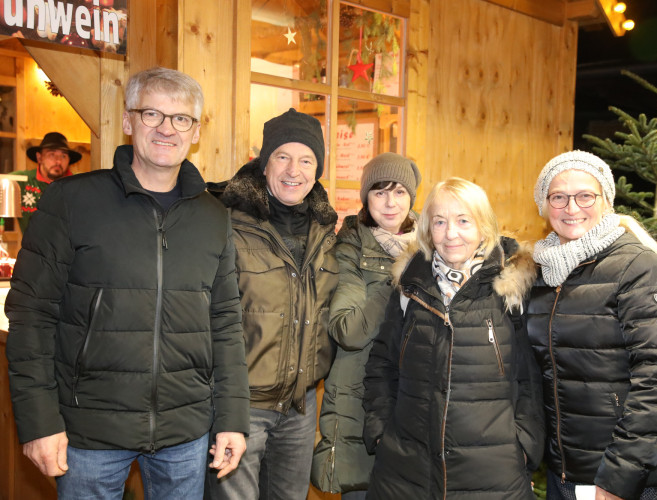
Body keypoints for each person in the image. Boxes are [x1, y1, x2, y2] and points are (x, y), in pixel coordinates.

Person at [4, 66, 250, 499]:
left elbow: (227, 323)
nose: (166, 129)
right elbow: (31, 316)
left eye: (181, 119)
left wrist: (231, 417)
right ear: (127, 121)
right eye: (152, 113)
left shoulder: (214, 217)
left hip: (184, 432)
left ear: (195, 131)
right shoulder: (71, 201)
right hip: (89, 431)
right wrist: (39, 422)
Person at [362, 177, 544, 499]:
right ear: (427, 230)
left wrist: (526, 447)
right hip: (406, 474)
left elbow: (530, 377)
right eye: (440, 222)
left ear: (484, 227)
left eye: (463, 221)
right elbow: (383, 364)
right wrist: (380, 433)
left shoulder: (511, 290)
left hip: (494, 475)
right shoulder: (410, 287)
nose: (451, 233)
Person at [527, 150, 657, 500]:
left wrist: (618, 478)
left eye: (585, 195)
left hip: (614, 474)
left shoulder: (637, 265)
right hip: (563, 468)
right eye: (558, 197)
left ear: (606, 201)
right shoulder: (543, 270)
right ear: (543, 204)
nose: (572, 208)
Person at [206, 108, 339, 500]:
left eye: (306, 160)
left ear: (317, 170)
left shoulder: (328, 234)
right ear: (264, 164)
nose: (293, 170)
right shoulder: (226, 223)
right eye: (282, 157)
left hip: (299, 408)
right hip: (240, 409)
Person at [311, 152, 422, 499]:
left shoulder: (435, 246)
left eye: (400, 191)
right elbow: (349, 331)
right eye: (379, 191)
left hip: (419, 404)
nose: (390, 202)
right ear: (365, 198)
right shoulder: (349, 248)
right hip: (362, 409)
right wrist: (397, 278)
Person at [11, 131, 80, 232]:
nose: (58, 161)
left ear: (69, 160)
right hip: (32, 246)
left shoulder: (78, 185)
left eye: (63, 156)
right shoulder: (23, 181)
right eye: (52, 155)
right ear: (39, 158)